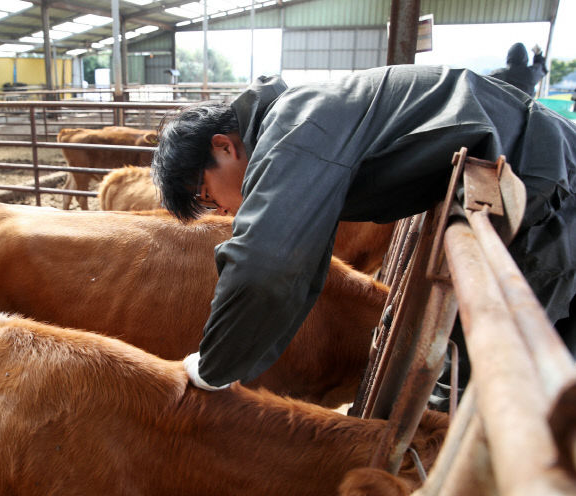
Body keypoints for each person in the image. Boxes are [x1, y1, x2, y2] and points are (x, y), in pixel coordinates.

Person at [151, 65, 576, 391]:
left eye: (208, 195)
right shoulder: (299, 119)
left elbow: (267, 263)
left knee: (503, 376)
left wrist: (212, 367)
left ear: (224, 145)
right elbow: (299, 261)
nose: (222, 210)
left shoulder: (295, 129)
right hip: (533, 173)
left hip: (544, 190)